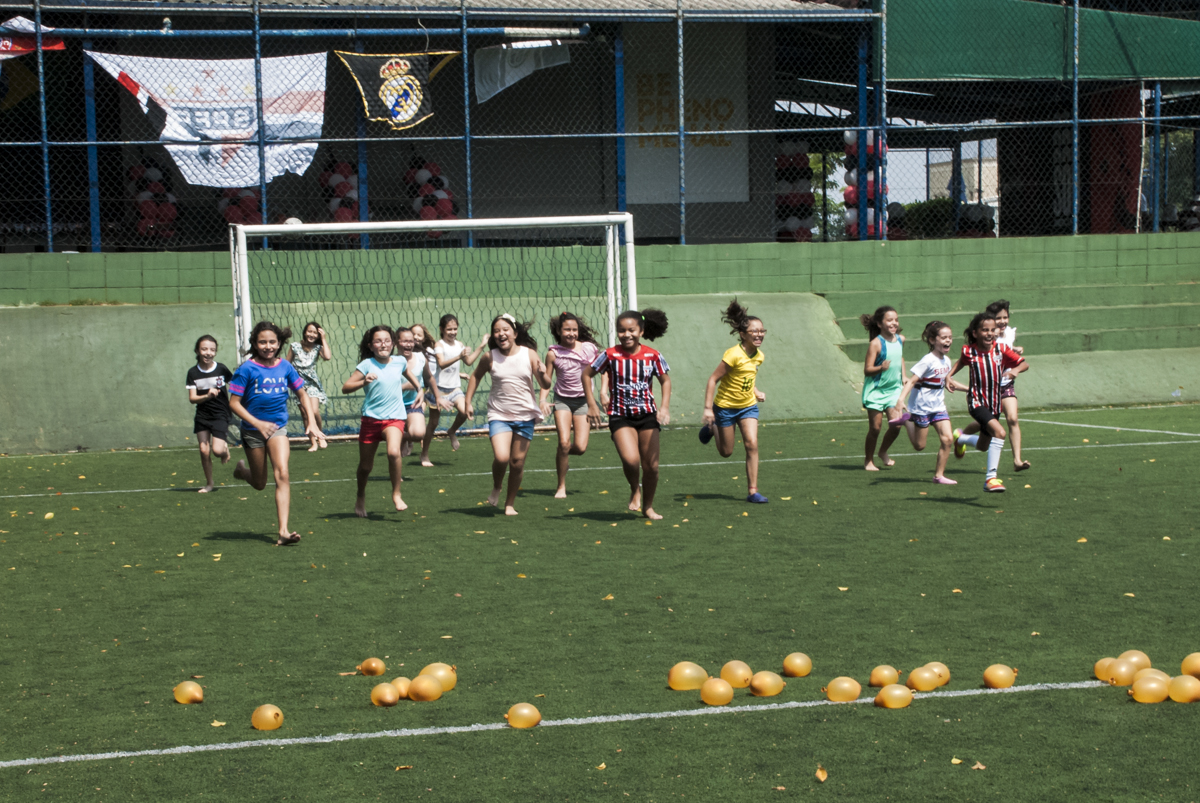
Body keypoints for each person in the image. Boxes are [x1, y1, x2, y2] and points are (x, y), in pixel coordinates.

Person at [228, 321, 319, 545]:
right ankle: (242, 471)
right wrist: (258, 424)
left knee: (283, 474)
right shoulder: (246, 369)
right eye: (262, 342)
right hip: (252, 431)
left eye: (272, 342)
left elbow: (303, 394)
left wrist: (312, 423)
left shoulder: (285, 367)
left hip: (277, 429)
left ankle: (284, 531)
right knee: (260, 483)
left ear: (279, 343)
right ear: (255, 344)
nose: (268, 346)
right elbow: (234, 403)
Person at [583, 309, 671, 520]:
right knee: (631, 460)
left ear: (641, 331)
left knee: (651, 466)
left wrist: (665, 407)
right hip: (620, 415)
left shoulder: (653, 355)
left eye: (631, 330)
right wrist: (592, 404)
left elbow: (665, 380)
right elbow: (587, 374)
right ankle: (635, 488)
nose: (626, 335)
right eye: (621, 331)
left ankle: (648, 507)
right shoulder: (610, 354)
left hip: (648, 415)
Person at [464, 314, 550, 515]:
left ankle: (509, 504)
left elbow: (545, 385)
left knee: (517, 463)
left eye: (505, 330)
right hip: (499, 415)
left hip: (525, 416)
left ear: (515, 333)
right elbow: (475, 377)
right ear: (493, 336)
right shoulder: (490, 357)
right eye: (496, 331)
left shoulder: (529, 354)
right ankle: (497, 486)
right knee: (502, 458)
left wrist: (544, 373)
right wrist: (468, 401)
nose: (501, 334)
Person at [342, 325, 422, 516]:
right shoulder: (366, 365)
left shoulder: (400, 362)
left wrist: (421, 391)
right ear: (371, 345)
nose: (383, 344)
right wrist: (363, 382)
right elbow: (346, 387)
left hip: (394, 418)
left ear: (393, 344)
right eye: (378, 341)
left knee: (394, 452)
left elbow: (413, 378)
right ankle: (360, 497)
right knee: (365, 467)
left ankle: (396, 494)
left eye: (387, 340)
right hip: (371, 420)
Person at [949, 310, 1029, 493]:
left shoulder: (1001, 349)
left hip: (995, 404)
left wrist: (1015, 371)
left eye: (992, 330)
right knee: (1000, 433)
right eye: (985, 330)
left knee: (984, 446)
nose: (989, 333)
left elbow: (1024, 363)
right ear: (975, 333)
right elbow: (961, 362)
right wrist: (949, 376)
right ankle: (990, 479)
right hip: (977, 402)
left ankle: (960, 439)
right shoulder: (969, 351)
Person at [698, 299, 768, 504]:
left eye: (762, 330)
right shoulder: (733, 355)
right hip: (725, 408)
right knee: (726, 452)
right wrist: (708, 409)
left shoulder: (759, 356)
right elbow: (713, 379)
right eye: (754, 331)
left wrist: (755, 391)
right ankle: (713, 428)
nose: (759, 334)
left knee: (752, 444)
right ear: (743, 334)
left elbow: (747, 376)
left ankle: (753, 491)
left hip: (747, 407)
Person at [894, 321, 967, 485]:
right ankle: (907, 421)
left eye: (950, 337)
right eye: (943, 337)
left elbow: (949, 382)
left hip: (938, 407)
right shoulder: (927, 360)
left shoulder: (947, 361)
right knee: (920, 446)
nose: (948, 340)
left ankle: (938, 476)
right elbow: (912, 381)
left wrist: (971, 389)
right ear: (933, 340)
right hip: (922, 408)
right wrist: (900, 400)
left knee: (948, 439)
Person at [538, 312, 601, 499]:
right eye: (567, 330)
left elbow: (601, 368)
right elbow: (547, 382)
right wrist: (542, 399)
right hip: (562, 401)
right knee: (564, 442)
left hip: (584, 402)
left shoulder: (589, 348)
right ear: (559, 331)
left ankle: (563, 454)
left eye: (574, 330)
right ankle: (561, 486)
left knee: (580, 448)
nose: (571, 333)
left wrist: (603, 393)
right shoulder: (553, 353)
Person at [423, 313, 486, 460]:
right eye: (449, 329)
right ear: (442, 329)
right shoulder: (439, 345)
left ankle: (451, 431)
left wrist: (481, 346)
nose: (453, 332)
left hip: (455, 389)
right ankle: (424, 454)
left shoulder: (459, 344)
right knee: (433, 424)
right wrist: (459, 356)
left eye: (455, 329)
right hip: (438, 390)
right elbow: (441, 364)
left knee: (465, 412)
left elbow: (469, 361)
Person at [395, 325, 449, 466]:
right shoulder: (391, 362)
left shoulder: (420, 358)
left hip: (414, 403)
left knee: (418, 434)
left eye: (411, 341)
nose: (408, 344)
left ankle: (397, 437)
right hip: (395, 405)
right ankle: (396, 474)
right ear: (396, 343)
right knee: (395, 451)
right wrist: (403, 387)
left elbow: (429, 378)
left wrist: (438, 397)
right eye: (404, 341)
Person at [186, 334, 233, 493]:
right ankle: (209, 483)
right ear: (197, 351)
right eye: (204, 349)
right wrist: (207, 396)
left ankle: (224, 449)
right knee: (203, 450)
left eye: (212, 350)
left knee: (217, 451)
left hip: (220, 414)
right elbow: (192, 398)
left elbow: (235, 385)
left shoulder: (221, 369)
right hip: (202, 415)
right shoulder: (193, 373)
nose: (208, 352)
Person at [860, 306, 905, 471]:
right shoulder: (876, 344)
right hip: (876, 391)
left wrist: (904, 376)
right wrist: (880, 368)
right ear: (880, 323)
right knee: (875, 428)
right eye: (889, 320)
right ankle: (868, 461)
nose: (894, 323)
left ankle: (883, 452)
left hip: (893, 390)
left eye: (896, 320)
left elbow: (900, 357)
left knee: (896, 425)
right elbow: (867, 369)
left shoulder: (901, 339)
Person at [286, 321, 331, 451]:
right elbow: (287, 364)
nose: (311, 334)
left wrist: (323, 338)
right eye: (309, 331)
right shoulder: (295, 346)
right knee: (305, 414)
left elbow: (327, 357)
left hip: (312, 384)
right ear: (305, 332)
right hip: (298, 384)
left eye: (315, 333)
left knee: (314, 411)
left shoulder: (318, 348)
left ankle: (320, 436)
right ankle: (313, 442)